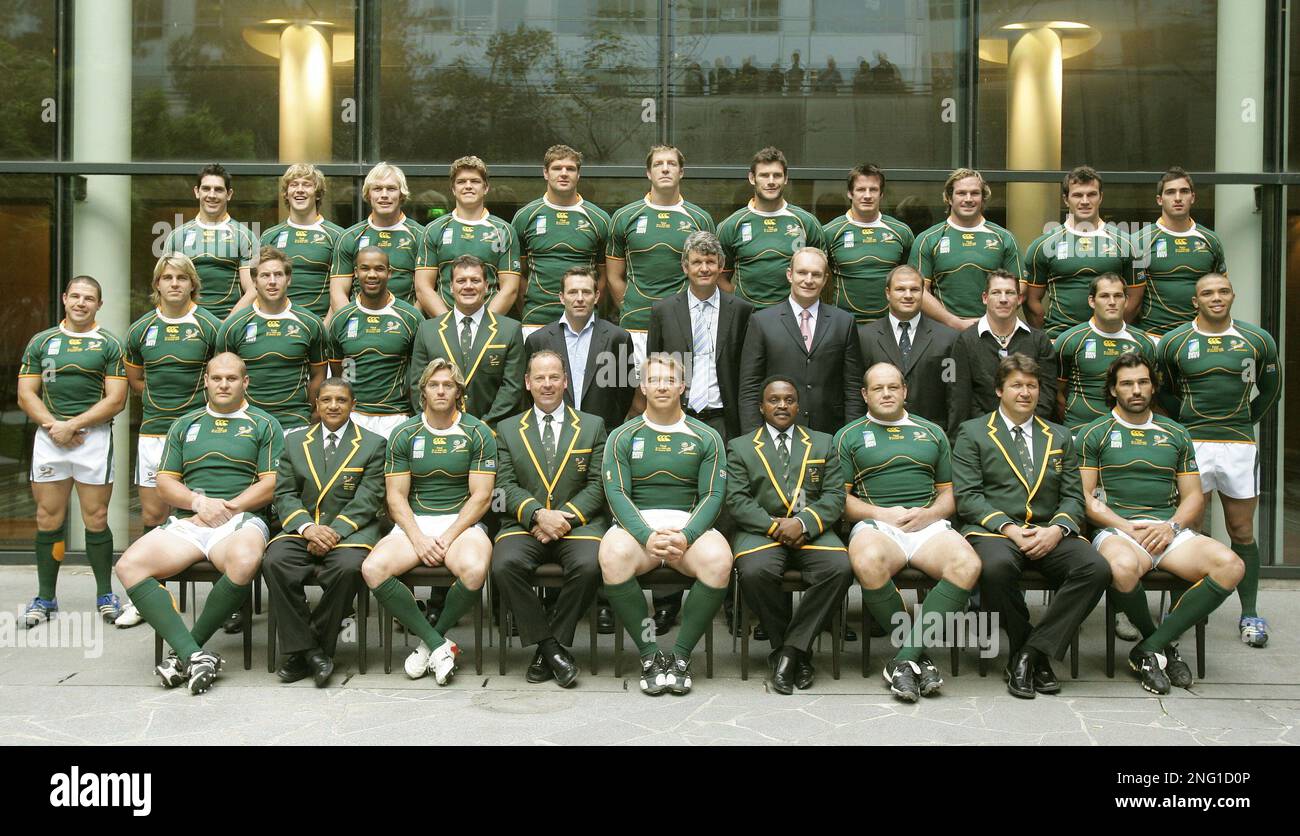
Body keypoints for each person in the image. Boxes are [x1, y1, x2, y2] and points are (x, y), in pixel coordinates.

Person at [113, 353, 282, 695]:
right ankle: (195, 656)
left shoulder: (265, 424)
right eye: (216, 378)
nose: (223, 384)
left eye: (231, 378)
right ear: (205, 381)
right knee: (129, 565)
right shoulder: (184, 424)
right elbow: (164, 482)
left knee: (246, 560)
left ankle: (185, 651)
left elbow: (271, 482)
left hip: (242, 519)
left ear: (245, 382)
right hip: (193, 518)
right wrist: (198, 503)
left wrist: (226, 507)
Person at [1079, 354, 1244, 693]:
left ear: (1153, 387)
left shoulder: (1175, 432)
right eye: (1126, 383)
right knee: (1122, 568)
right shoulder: (1093, 433)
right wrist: (1123, 525)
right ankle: (1162, 646)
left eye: (1142, 382)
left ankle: (1148, 648)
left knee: (1231, 566)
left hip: (1169, 530)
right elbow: (1085, 498)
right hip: (1118, 530)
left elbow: (1194, 497)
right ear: (1113, 390)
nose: (1136, 390)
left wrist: (1170, 526)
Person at [951, 354, 1110, 699]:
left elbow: (1073, 497)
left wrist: (1056, 530)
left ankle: (1028, 654)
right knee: (994, 568)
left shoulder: (1060, 436)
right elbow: (968, 497)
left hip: (1048, 529)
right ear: (999, 390)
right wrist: (1008, 528)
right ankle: (1031, 652)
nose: (1025, 393)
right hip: (996, 532)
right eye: (1017, 385)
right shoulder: (973, 432)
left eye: (1032, 386)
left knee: (1095, 568)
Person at [836, 363, 980, 702]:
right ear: (864, 395)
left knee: (968, 565)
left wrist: (929, 514)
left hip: (927, 524)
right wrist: (881, 513)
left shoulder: (932, 432)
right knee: (867, 561)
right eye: (877, 388)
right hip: (878, 525)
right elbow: (841, 500)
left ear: (905, 391)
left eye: (893, 387)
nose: (886, 394)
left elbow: (950, 494)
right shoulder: (849, 435)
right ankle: (919, 658)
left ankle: (903, 659)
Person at [1158, 273, 1281, 647]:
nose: (1216, 298)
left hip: (1239, 445)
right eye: (1207, 293)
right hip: (1193, 443)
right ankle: (1182, 613)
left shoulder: (1258, 339)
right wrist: (1187, 424)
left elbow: (1270, 389)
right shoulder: (1175, 341)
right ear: (1195, 301)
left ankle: (1250, 613)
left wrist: (1243, 421)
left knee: (1241, 530)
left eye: (1223, 291)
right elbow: (1164, 391)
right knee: (1189, 531)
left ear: (1233, 295)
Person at [599, 353, 732, 695]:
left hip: (689, 528)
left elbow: (714, 494)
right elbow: (615, 493)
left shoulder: (706, 435)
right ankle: (650, 654)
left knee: (720, 560)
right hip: (638, 529)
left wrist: (687, 535)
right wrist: (646, 536)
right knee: (612, 556)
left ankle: (681, 656)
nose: (661, 386)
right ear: (642, 386)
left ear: (682, 386)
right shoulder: (622, 435)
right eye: (654, 380)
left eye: (669, 380)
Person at [360, 358, 496, 684]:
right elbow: (395, 497)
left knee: (475, 569)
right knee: (372, 568)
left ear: (458, 391)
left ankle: (427, 643)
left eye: (448, 385)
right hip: (415, 523)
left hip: (462, 525)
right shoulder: (404, 432)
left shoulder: (478, 431)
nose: (440, 390)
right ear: (423, 391)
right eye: (434, 384)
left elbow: (481, 497)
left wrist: (447, 537)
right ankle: (437, 644)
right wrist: (419, 538)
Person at [491, 351, 607, 687]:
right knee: (503, 566)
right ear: (527, 383)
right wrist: (538, 514)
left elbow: (599, 483)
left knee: (589, 566)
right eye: (539, 378)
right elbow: (503, 486)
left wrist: (564, 519)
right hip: (525, 524)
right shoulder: (507, 429)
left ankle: (546, 650)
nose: (547, 384)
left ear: (565, 381)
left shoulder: (592, 425)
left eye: (554, 377)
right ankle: (551, 647)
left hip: (578, 525)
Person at [17, 276, 128, 627]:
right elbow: (26, 394)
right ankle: (45, 597)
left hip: (93, 440)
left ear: (99, 304)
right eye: (76, 296)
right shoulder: (42, 341)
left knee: (95, 518)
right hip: (50, 438)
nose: (81, 303)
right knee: (47, 518)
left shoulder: (109, 343)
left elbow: (117, 399)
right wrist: (55, 427)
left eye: (89, 298)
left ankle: (104, 594)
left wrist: (74, 425)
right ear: (65, 298)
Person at [728, 376, 850, 694]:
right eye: (774, 400)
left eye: (789, 399)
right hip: (762, 530)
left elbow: (835, 497)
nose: (782, 405)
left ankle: (788, 653)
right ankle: (795, 653)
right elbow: (737, 500)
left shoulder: (824, 442)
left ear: (798, 405)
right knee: (755, 571)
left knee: (839, 569)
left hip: (811, 529)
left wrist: (804, 522)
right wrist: (776, 527)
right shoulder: (740, 447)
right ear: (761, 407)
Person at [264, 379, 386, 686]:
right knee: (274, 561)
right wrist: (308, 528)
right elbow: (285, 493)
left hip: (350, 532)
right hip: (302, 528)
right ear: (316, 405)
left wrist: (333, 532)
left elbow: (369, 498)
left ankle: (305, 650)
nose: (334, 406)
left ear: (353, 405)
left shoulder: (373, 444)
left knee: (347, 569)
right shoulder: (294, 441)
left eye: (341, 400)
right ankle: (314, 653)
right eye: (327, 400)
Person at [605, 145, 716, 367]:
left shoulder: (700, 218)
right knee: (634, 394)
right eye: (658, 164)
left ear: (681, 172)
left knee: (681, 391)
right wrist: (630, 306)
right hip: (635, 323)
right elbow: (613, 276)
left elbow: (707, 274)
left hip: (684, 325)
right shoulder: (624, 216)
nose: (665, 169)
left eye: (671, 164)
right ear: (648, 173)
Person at [738, 247, 865, 435]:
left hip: (829, 433)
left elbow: (853, 389)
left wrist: (850, 437)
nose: (808, 280)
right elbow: (749, 386)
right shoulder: (761, 321)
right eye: (802, 272)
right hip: (775, 432)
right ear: (790, 275)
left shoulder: (844, 322)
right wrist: (754, 437)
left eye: (816, 274)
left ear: (825, 279)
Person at [648, 230, 754, 442]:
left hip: (724, 420)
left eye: (710, 262)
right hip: (677, 417)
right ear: (685, 267)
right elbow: (654, 367)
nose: (704, 268)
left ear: (721, 266)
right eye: (697, 262)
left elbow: (748, 372)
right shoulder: (663, 311)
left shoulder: (742, 311)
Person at [218, 246, 329, 433]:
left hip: (296, 422)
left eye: (278, 275)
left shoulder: (311, 323)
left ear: (289, 279)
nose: (272, 282)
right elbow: (222, 379)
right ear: (254, 281)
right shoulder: (233, 326)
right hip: (246, 424)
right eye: (265, 276)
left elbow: (318, 374)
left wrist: (310, 412)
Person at [409, 254, 524, 429]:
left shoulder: (510, 330)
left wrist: (484, 426)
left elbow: (512, 388)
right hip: (440, 431)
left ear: (486, 286)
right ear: (451, 287)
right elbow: (418, 385)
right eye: (461, 281)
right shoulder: (427, 330)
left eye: (475, 280)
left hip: (492, 431)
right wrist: (435, 424)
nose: (468, 286)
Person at [524, 266, 637, 436]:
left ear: (597, 296)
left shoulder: (618, 338)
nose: (579, 298)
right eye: (572, 292)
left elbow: (624, 392)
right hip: (552, 434)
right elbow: (528, 394)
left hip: (602, 434)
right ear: (562, 297)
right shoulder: (538, 340)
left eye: (586, 292)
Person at [1023, 166, 1135, 339]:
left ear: (1101, 197)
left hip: (1112, 338)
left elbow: (1134, 299)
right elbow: (1031, 301)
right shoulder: (1042, 245)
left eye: (1091, 194)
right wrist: (1045, 339)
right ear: (1066, 199)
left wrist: (1114, 330)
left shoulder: (1125, 243)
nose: (1085, 201)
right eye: (1077, 195)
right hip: (1058, 336)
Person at [512, 145, 611, 334]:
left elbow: (604, 275)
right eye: (557, 168)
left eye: (570, 169)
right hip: (536, 319)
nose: (564, 173)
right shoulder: (525, 216)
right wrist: (528, 308)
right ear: (545, 173)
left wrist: (590, 308)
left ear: (578, 174)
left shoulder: (599, 218)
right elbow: (518, 275)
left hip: (584, 322)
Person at [328, 246, 423, 439]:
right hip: (353, 416)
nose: (372, 275)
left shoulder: (411, 317)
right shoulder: (341, 319)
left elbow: (418, 373)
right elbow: (338, 372)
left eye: (379, 269)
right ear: (355, 272)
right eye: (365, 268)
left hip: (397, 417)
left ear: (389, 273)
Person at [909, 168, 1022, 330]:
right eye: (961, 193)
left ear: (983, 198)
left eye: (975, 193)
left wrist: (989, 322)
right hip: (943, 330)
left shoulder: (1004, 238)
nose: (968, 199)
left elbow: (1019, 288)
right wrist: (954, 322)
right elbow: (918, 291)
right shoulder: (928, 239)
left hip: (994, 329)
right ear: (949, 197)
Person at [947, 270, 1057, 435]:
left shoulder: (1039, 340)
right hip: (980, 436)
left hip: (1030, 434)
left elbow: (1047, 394)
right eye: (996, 293)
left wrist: (1021, 429)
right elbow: (959, 398)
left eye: (1010, 293)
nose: (1003, 299)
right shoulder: (964, 341)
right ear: (985, 298)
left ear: (1019, 299)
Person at [717, 146, 826, 309]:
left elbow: (822, 275)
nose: (771, 181)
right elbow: (719, 277)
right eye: (764, 175)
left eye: (777, 175)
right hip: (749, 320)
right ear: (752, 178)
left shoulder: (807, 222)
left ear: (786, 178)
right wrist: (741, 303)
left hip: (795, 319)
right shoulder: (731, 225)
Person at [414, 155, 521, 317]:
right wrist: (448, 325)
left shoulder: (504, 230)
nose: (468, 186)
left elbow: (510, 289)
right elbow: (423, 287)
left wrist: (484, 324)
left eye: (475, 181)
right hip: (443, 323)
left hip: (489, 325)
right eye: (461, 181)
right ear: (453, 189)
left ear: (486, 188)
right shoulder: (433, 229)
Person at [1129, 167, 1227, 338]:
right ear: (1159, 200)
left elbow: (1222, 291)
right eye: (1170, 192)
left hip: (1199, 336)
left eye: (1184, 191)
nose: (1178, 198)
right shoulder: (1138, 241)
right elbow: (1128, 297)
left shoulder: (1211, 240)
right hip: (1152, 336)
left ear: (1193, 197)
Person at [856, 265, 957, 426]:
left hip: (931, 433)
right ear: (888, 293)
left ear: (923, 293)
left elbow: (954, 394)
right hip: (878, 431)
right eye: (900, 289)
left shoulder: (948, 339)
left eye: (915, 289)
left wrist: (950, 438)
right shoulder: (864, 337)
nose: (908, 295)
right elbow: (856, 391)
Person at [1056, 273, 1157, 433]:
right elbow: (1056, 392)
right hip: (1079, 430)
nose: (1112, 302)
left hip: (1128, 433)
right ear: (1091, 301)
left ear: (1127, 301)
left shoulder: (1143, 343)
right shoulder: (1070, 340)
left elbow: (1151, 392)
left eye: (1118, 296)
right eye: (1104, 296)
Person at [160, 163, 257, 320]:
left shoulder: (244, 235)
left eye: (218, 189)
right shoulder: (177, 236)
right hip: (188, 323)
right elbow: (164, 287)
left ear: (229, 194)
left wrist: (226, 325)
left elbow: (254, 290)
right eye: (206, 189)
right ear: (197, 192)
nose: (212, 195)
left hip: (230, 323)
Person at [823, 163, 915, 325]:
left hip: (891, 324)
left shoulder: (901, 231)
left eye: (873, 189)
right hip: (843, 324)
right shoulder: (829, 232)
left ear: (881, 194)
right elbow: (820, 280)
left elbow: (912, 278)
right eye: (860, 189)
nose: (867, 195)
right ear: (850, 193)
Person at [330, 162, 425, 314]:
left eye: (391, 189)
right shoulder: (349, 237)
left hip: (405, 325)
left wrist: (410, 325)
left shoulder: (421, 236)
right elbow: (338, 292)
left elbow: (426, 290)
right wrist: (349, 323)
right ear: (368, 194)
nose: (384, 195)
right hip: (359, 325)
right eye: (377, 189)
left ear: (401, 194)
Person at [260, 163, 345, 320]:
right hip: (279, 323)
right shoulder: (269, 236)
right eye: (294, 185)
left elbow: (342, 291)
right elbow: (258, 286)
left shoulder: (338, 236)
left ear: (317, 193)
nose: (299, 190)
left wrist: (323, 331)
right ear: (286, 193)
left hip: (322, 324)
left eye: (306, 185)